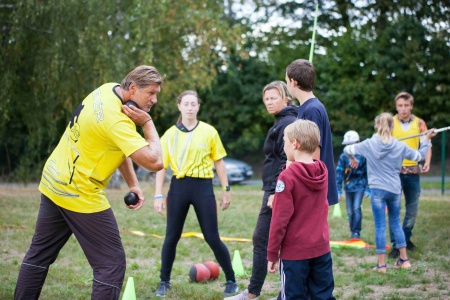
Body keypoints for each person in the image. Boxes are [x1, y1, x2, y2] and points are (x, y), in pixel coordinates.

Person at [14, 65, 165, 299]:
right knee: (110, 263)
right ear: (133, 88)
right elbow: (155, 161)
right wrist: (147, 124)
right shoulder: (117, 121)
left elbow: (117, 146)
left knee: (39, 255)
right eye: (151, 93)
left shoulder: (106, 91)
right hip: (79, 193)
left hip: (54, 179)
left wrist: (132, 184)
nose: (154, 99)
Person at [153, 90, 237, 297]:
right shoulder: (170, 135)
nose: (190, 108)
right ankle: (164, 282)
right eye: (186, 104)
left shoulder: (209, 131)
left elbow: (219, 161)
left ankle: (231, 280)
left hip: (203, 188)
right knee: (171, 236)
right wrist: (157, 195)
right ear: (179, 106)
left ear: (198, 106)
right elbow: (161, 166)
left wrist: (226, 190)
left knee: (212, 237)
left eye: (193, 104)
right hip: (178, 188)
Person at [224, 81, 297, 300]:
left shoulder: (288, 123)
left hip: (278, 191)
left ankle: (255, 294)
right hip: (275, 189)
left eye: (273, 97)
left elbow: (288, 160)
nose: (268, 102)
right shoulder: (281, 122)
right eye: (266, 98)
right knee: (269, 240)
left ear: (286, 97)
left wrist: (276, 192)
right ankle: (264, 292)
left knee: (264, 238)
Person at [343, 113, 436, 272]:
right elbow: (419, 156)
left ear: (376, 126)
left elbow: (346, 149)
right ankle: (404, 260)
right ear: (392, 127)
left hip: (377, 190)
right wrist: (426, 140)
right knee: (395, 223)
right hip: (394, 190)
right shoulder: (399, 145)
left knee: (380, 226)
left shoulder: (368, 144)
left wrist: (353, 158)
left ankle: (381, 265)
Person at [267, 119, 336, 300]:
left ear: (295, 143)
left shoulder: (286, 177)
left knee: (294, 296)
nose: (283, 147)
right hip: (321, 249)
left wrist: (272, 253)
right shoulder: (323, 170)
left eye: (284, 142)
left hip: (294, 253)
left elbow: (279, 220)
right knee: (323, 296)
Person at [285, 59, 339, 206]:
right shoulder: (305, 107)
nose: (287, 85)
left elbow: (313, 153)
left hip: (312, 187)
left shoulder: (312, 110)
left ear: (293, 81)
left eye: (286, 81)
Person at [388, 92, 432, 259]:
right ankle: (396, 244)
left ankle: (405, 238)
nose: (403, 108)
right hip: (395, 172)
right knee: (394, 209)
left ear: (411, 106)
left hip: (413, 172)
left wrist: (426, 160)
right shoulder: (390, 122)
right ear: (396, 106)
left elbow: (426, 143)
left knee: (412, 210)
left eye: (406, 105)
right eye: (400, 105)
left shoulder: (420, 123)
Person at [336, 130, 370, 240]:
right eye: (347, 145)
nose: (349, 146)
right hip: (348, 187)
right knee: (350, 212)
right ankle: (352, 233)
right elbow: (339, 174)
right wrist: (338, 190)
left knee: (356, 208)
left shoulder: (363, 156)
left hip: (360, 186)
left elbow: (367, 173)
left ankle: (356, 233)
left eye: (351, 144)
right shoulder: (343, 157)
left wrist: (368, 189)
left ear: (358, 142)